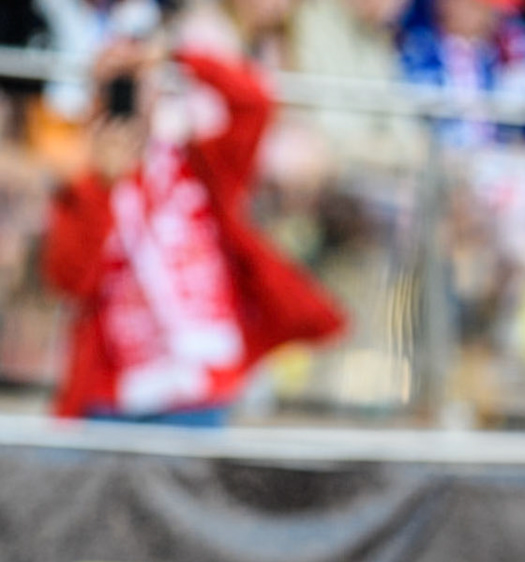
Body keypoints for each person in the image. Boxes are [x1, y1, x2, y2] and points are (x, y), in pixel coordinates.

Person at [41, 37, 345, 422]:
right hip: (116, 389)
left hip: (199, 382)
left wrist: (177, 56)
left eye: (136, 83)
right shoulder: (81, 185)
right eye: (114, 85)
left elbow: (254, 103)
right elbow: (71, 281)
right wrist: (101, 187)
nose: (129, 96)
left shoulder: (200, 166)